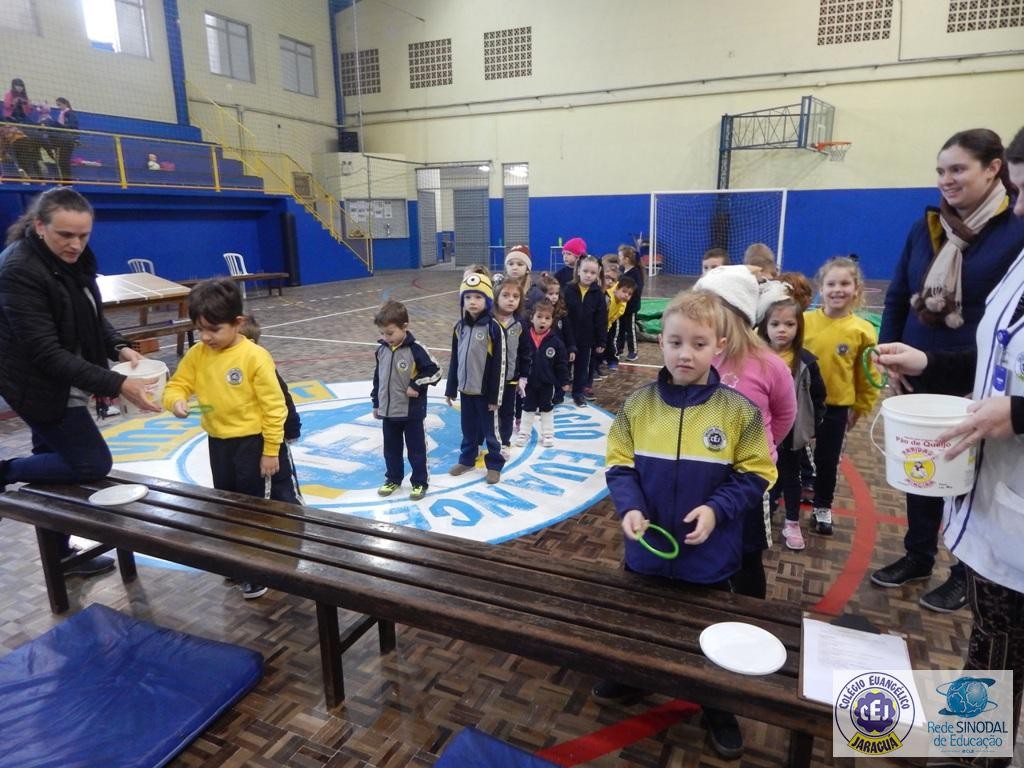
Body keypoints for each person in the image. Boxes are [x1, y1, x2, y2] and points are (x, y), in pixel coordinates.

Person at [872, 124, 1024, 768]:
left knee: (1001, 636)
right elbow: (992, 349)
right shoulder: (943, 233)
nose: (1019, 201)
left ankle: (975, 752)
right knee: (995, 637)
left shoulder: (1010, 237)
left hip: (1008, 477)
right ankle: (971, 749)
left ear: (992, 170)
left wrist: (1017, 410)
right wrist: (922, 362)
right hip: (991, 463)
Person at [597, 290, 777, 759]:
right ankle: (636, 676)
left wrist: (717, 509)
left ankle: (717, 705)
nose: (685, 354)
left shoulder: (738, 412)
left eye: (699, 344)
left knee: (711, 633)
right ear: (661, 342)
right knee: (641, 621)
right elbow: (619, 464)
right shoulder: (638, 406)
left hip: (710, 558)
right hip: (647, 552)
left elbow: (758, 472)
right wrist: (629, 507)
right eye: (676, 342)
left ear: (719, 346)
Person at [0, 187, 161, 576]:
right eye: (65, 235)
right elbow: (45, 353)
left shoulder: (72, 259)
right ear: (40, 226)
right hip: (37, 385)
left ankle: (61, 556)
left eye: (83, 235)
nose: (75, 244)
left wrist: (119, 347)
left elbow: (89, 314)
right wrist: (116, 384)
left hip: (61, 375)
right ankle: (5, 471)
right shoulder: (19, 270)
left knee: (51, 466)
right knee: (90, 462)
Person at [164, 278, 288, 600]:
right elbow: (177, 385)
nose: (206, 337)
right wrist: (175, 401)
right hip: (219, 443)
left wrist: (271, 450)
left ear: (238, 323)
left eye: (214, 329)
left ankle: (257, 569)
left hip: (253, 445)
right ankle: (238, 562)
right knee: (228, 505)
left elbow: (275, 407)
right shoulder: (198, 354)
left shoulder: (255, 356)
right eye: (200, 329)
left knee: (253, 509)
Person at [694, 266, 797, 597]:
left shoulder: (769, 365)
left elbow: (784, 415)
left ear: (735, 313)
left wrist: (760, 449)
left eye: (709, 305)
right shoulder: (698, 356)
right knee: (706, 543)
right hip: (705, 471)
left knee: (747, 554)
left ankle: (750, 617)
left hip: (750, 479)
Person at [802, 256, 879, 536]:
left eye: (845, 283)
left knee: (828, 461)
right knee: (791, 454)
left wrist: (860, 407)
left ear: (856, 289)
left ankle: (822, 506)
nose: (837, 289)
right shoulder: (803, 322)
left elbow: (867, 375)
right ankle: (786, 496)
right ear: (821, 288)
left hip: (836, 408)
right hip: (800, 404)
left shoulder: (863, 330)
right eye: (831, 283)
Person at [757, 292, 827, 550]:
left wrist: (813, 425)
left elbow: (818, 396)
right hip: (763, 431)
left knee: (791, 476)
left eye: (789, 324)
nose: (782, 330)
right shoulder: (756, 357)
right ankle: (767, 508)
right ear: (765, 327)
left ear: (799, 328)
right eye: (775, 324)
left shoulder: (806, 362)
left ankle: (792, 521)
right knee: (765, 474)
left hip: (793, 432)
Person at [371, 300, 442, 501]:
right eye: (382, 333)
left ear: (404, 327)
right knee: (391, 450)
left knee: (416, 450)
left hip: (411, 413)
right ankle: (393, 478)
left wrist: (416, 384)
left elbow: (435, 371)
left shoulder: (416, 349)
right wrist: (376, 402)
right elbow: (378, 378)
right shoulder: (382, 350)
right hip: (388, 412)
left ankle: (419, 482)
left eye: (390, 333)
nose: (386, 338)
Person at [445, 272, 505, 484]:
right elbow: (455, 359)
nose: (472, 301)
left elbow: (500, 365)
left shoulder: (493, 328)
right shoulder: (459, 327)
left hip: (485, 393)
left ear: (487, 300)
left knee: (490, 433)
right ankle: (467, 459)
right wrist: (451, 388)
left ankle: (494, 464)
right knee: (468, 429)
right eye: (468, 297)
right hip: (465, 390)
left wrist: (495, 397)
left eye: (478, 297)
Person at [238, 314, 304, 505]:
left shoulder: (262, 367)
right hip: (246, 445)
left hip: (271, 441)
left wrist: (292, 429)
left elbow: (283, 401)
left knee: (283, 491)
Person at [514, 299, 569, 448]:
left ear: (552, 321)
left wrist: (564, 380)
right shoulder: (524, 338)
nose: (542, 321)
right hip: (528, 382)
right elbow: (518, 358)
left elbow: (561, 363)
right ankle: (524, 433)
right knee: (527, 407)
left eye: (547, 318)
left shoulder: (556, 342)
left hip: (547, 383)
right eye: (539, 316)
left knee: (547, 408)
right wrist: (518, 376)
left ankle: (548, 434)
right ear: (532, 318)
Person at [491, 279, 531, 458]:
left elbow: (525, 352)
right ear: (496, 297)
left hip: (510, 379)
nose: (511, 300)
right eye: (506, 295)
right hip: (490, 380)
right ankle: (486, 439)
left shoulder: (520, 323)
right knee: (489, 412)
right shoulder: (488, 321)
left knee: (507, 412)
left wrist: (523, 376)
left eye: (515, 296)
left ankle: (505, 442)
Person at [564, 255, 607, 406]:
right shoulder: (568, 290)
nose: (589, 275)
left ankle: (578, 393)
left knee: (582, 368)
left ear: (598, 274)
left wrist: (601, 340)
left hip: (587, 340)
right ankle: (558, 392)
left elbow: (601, 319)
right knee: (563, 366)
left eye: (593, 273)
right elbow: (562, 314)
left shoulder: (598, 294)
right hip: (567, 338)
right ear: (578, 271)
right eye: (585, 271)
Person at [601, 275, 636, 374]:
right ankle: (598, 362)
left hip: (609, 323)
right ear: (616, 289)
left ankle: (612, 360)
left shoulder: (623, 305)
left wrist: (607, 328)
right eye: (624, 291)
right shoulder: (606, 297)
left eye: (629, 294)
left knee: (611, 341)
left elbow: (613, 317)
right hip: (599, 324)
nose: (626, 295)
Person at [616, 245, 644, 362]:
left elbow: (636, 290)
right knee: (620, 328)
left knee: (630, 329)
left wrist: (627, 297)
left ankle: (633, 351)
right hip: (622, 306)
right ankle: (619, 349)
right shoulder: (624, 271)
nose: (618, 258)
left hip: (630, 307)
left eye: (620, 256)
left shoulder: (635, 273)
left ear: (626, 259)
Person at [48, 97, 79, 183]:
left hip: (67, 140)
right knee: (62, 162)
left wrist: (58, 125)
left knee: (64, 162)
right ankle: (65, 182)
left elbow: (73, 126)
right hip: (63, 139)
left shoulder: (69, 113)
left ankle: (67, 182)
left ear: (65, 104)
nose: (58, 107)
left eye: (59, 105)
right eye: (57, 105)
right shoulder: (62, 113)